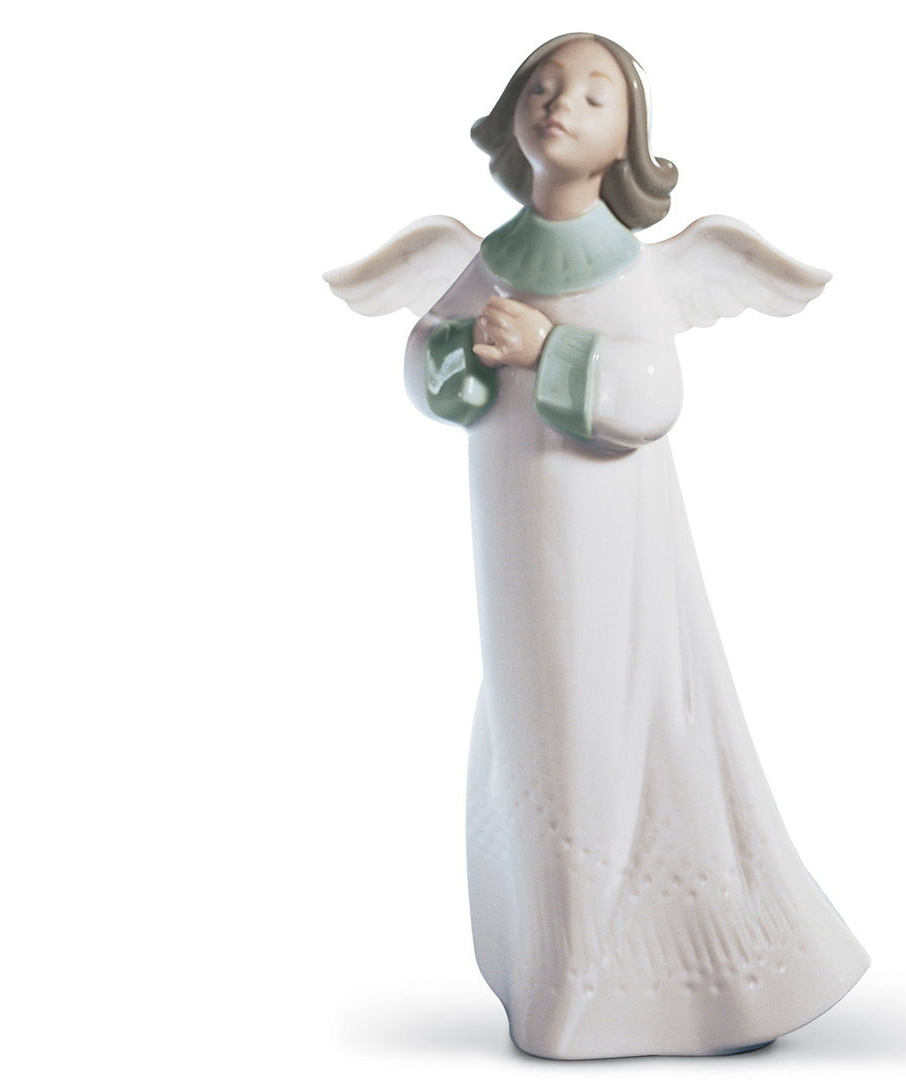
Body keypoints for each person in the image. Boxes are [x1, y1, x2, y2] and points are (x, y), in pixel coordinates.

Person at [333, 32, 869, 1060]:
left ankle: (649, 977)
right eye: (541, 88)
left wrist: (551, 349)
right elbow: (423, 365)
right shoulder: (496, 258)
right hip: (515, 545)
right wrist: (457, 348)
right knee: (536, 723)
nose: (559, 105)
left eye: (590, 95)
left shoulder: (625, 266)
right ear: (511, 116)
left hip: (609, 551)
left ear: (628, 140)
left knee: (609, 720)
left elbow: (653, 393)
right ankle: (555, 963)